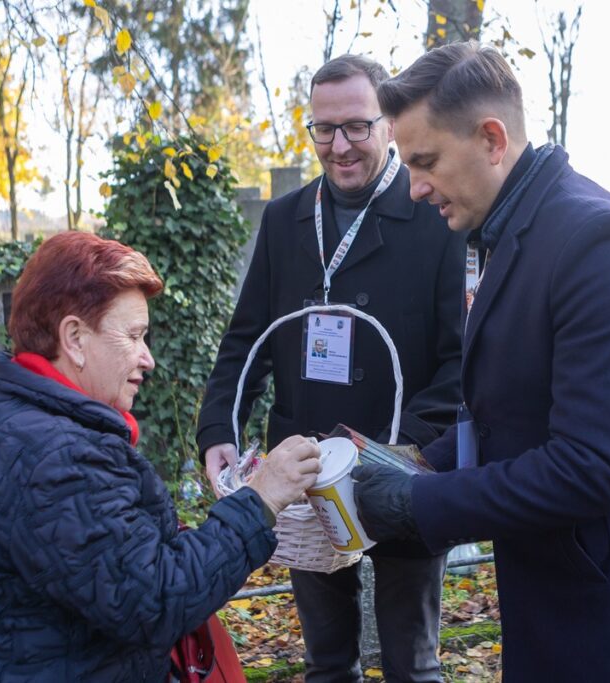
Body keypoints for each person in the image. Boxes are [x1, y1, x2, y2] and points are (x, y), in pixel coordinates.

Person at [351, 42, 610, 681]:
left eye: (425, 162)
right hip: (559, 592)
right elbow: (513, 412)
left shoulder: (600, 242)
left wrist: (420, 504)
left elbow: (592, 469)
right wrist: (403, 463)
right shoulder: (515, 230)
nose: (415, 187)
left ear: (492, 139)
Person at [0, 232, 321, 682]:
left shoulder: (10, 418)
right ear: (74, 338)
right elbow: (153, 599)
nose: (147, 358)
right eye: (133, 336)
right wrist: (261, 499)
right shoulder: (59, 458)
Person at [196, 54, 466, 682]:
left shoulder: (435, 215)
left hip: (402, 470)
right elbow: (247, 342)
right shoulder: (285, 219)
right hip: (304, 473)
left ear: (389, 126)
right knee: (325, 662)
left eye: (356, 126)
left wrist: (406, 449)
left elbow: (460, 361)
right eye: (324, 129)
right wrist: (218, 432)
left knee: (413, 662)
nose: (339, 146)